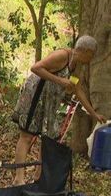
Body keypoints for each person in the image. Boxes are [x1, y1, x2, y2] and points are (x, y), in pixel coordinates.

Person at [12, 35, 106, 184]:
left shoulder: (77, 65)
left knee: (48, 138)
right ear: (86, 51)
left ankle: (39, 177)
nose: (92, 58)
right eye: (92, 54)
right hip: (36, 95)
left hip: (50, 102)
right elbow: (36, 68)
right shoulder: (62, 56)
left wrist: (93, 113)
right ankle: (19, 178)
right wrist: (60, 80)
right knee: (26, 136)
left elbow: (78, 90)